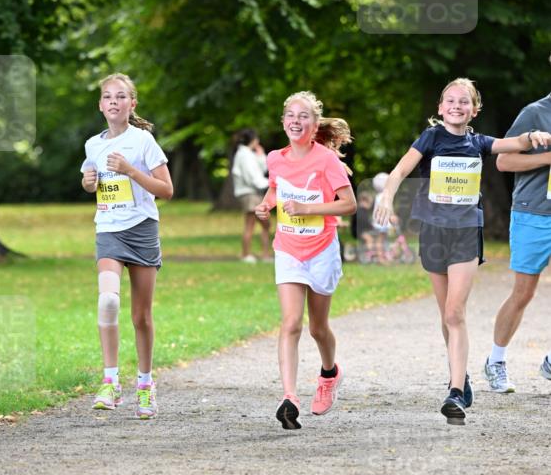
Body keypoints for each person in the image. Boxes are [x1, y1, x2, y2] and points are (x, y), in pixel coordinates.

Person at [374, 77, 550, 424]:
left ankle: (455, 393)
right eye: (450, 101)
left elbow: (510, 143)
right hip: (434, 233)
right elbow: (400, 170)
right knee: (446, 316)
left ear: (474, 110)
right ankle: (461, 375)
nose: (456, 106)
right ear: (440, 108)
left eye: (464, 102)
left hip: (467, 234)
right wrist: (386, 195)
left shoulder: (479, 142)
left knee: (456, 312)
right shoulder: (431, 138)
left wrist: (532, 138)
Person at [255, 91, 356, 430]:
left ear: (314, 126)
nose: (296, 121)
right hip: (288, 248)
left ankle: (329, 373)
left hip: (321, 248)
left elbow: (349, 205)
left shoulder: (327, 160)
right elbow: (277, 189)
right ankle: (289, 398)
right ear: (283, 122)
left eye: (304, 117)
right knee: (290, 323)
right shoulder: (274, 158)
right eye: (291, 116)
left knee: (317, 327)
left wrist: (309, 209)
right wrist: (266, 205)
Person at [81, 73, 173, 418]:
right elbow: (92, 181)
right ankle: (110, 381)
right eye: (108, 97)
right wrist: (88, 183)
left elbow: (166, 190)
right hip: (108, 229)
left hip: (142, 229)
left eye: (121, 96)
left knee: (140, 316)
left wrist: (132, 171)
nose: (114, 102)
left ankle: (146, 385)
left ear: (132, 104)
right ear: (101, 105)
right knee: (107, 301)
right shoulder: (93, 144)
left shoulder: (143, 141)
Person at [484, 93, 551, 391]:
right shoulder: (535, 112)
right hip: (534, 213)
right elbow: (504, 161)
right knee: (523, 292)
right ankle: (495, 361)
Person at [230, 128, 271, 262]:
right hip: (249, 194)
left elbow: (260, 170)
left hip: (253, 193)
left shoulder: (248, 154)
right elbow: (252, 177)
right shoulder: (244, 155)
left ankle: (265, 255)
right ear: (253, 140)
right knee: (250, 224)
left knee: (266, 224)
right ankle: (246, 254)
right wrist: (269, 183)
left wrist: (261, 155)